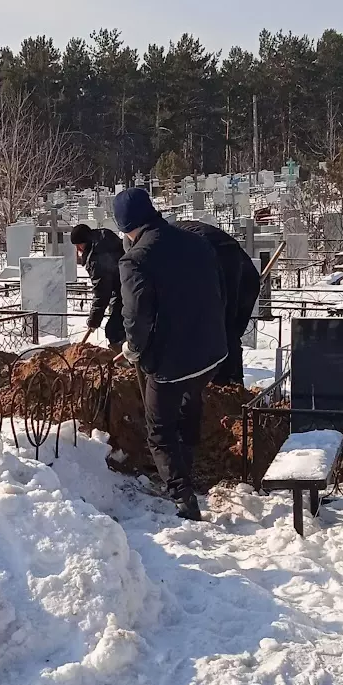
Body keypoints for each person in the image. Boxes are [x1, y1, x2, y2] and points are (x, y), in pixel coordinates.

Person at [114, 186, 227, 520]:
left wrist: (133, 350)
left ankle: (183, 497)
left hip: (171, 363)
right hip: (210, 353)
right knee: (191, 402)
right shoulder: (196, 241)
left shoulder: (135, 259)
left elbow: (135, 317)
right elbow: (217, 291)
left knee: (159, 429)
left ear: (125, 228)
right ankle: (188, 461)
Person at [179, 220, 260, 385]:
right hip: (239, 267)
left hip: (220, 262)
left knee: (222, 330)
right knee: (228, 331)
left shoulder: (158, 245)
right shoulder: (170, 235)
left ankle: (224, 385)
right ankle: (232, 385)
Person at [70, 222, 125, 350]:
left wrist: (93, 321)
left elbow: (101, 293)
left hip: (126, 291)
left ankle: (126, 363)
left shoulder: (96, 258)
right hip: (126, 288)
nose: (78, 249)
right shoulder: (105, 237)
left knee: (114, 331)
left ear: (84, 242)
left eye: (79, 245)